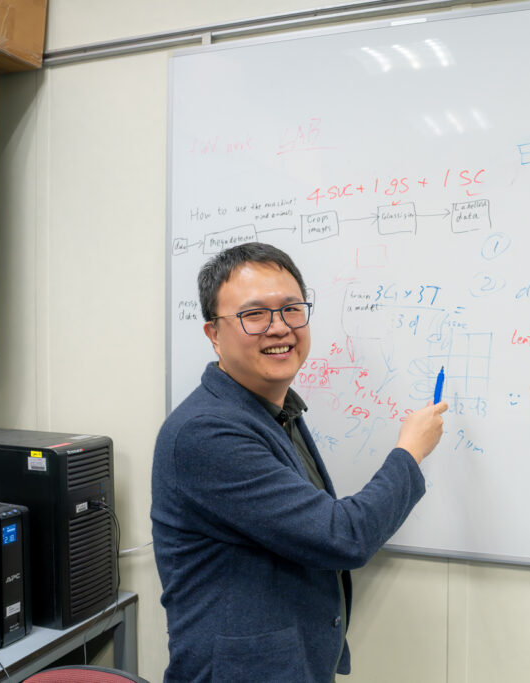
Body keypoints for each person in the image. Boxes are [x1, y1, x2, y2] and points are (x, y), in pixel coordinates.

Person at [151, 242, 448, 682]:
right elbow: (341, 537)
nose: (280, 328)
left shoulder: (276, 408)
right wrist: (410, 452)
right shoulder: (205, 433)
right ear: (213, 333)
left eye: (291, 308)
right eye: (254, 315)